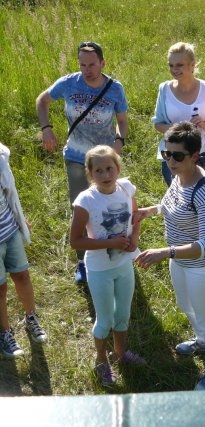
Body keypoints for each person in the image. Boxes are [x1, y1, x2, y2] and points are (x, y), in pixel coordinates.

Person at [134, 121, 205, 391]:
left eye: (177, 155)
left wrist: (166, 252)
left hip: (201, 265)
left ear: (195, 156)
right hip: (179, 259)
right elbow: (171, 203)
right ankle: (201, 341)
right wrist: (149, 211)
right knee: (186, 305)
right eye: (166, 153)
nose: (170, 161)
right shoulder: (179, 175)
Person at [36, 41, 128, 284]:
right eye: (82, 65)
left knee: (109, 206)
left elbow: (122, 120)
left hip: (104, 161)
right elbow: (42, 100)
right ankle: (84, 262)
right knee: (81, 209)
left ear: (102, 63)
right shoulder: (69, 83)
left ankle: (112, 252)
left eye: (92, 64)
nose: (87, 70)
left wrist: (119, 140)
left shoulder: (114, 88)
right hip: (76, 158)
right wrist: (46, 128)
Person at [70, 145, 144, 387]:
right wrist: (111, 242)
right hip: (99, 269)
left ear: (118, 168)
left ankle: (120, 354)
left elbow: (135, 216)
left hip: (124, 265)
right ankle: (101, 361)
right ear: (90, 173)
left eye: (109, 168)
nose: (105, 174)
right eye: (98, 170)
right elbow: (75, 241)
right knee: (104, 320)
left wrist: (134, 239)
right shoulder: (86, 200)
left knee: (122, 314)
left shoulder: (126, 188)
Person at [152, 42, 205, 185]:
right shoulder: (164, 89)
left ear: (192, 65)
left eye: (179, 65)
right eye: (171, 65)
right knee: (179, 198)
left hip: (204, 155)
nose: (174, 70)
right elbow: (158, 124)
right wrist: (177, 129)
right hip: (174, 158)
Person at [0, 143, 47, 358]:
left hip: (10, 231)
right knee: (0, 289)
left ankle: (31, 317)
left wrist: (20, 218)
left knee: (22, 276)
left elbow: (10, 192)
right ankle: (5, 332)